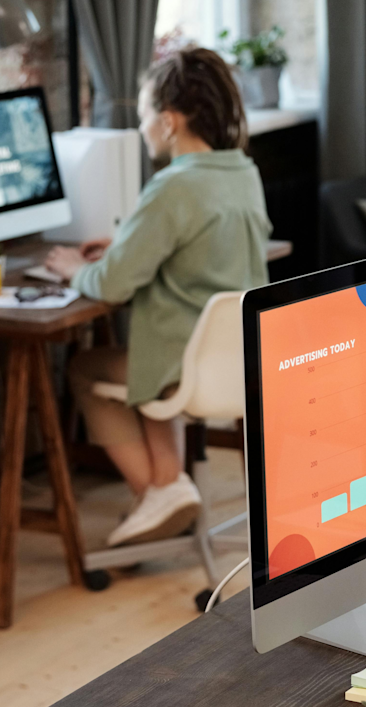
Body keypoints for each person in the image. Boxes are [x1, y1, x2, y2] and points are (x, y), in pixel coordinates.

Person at [45, 47, 271, 547]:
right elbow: (197, 246)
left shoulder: (172, 187)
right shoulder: (242, 173)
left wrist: (76, 269)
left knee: (86, 367)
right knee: (151, 351)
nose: (143, 125)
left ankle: (160, 491)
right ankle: (166, 490)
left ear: (169, 122)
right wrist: (126, 243)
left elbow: (112, 284)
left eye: (146, 114)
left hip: (182, 369)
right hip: (243, 362)